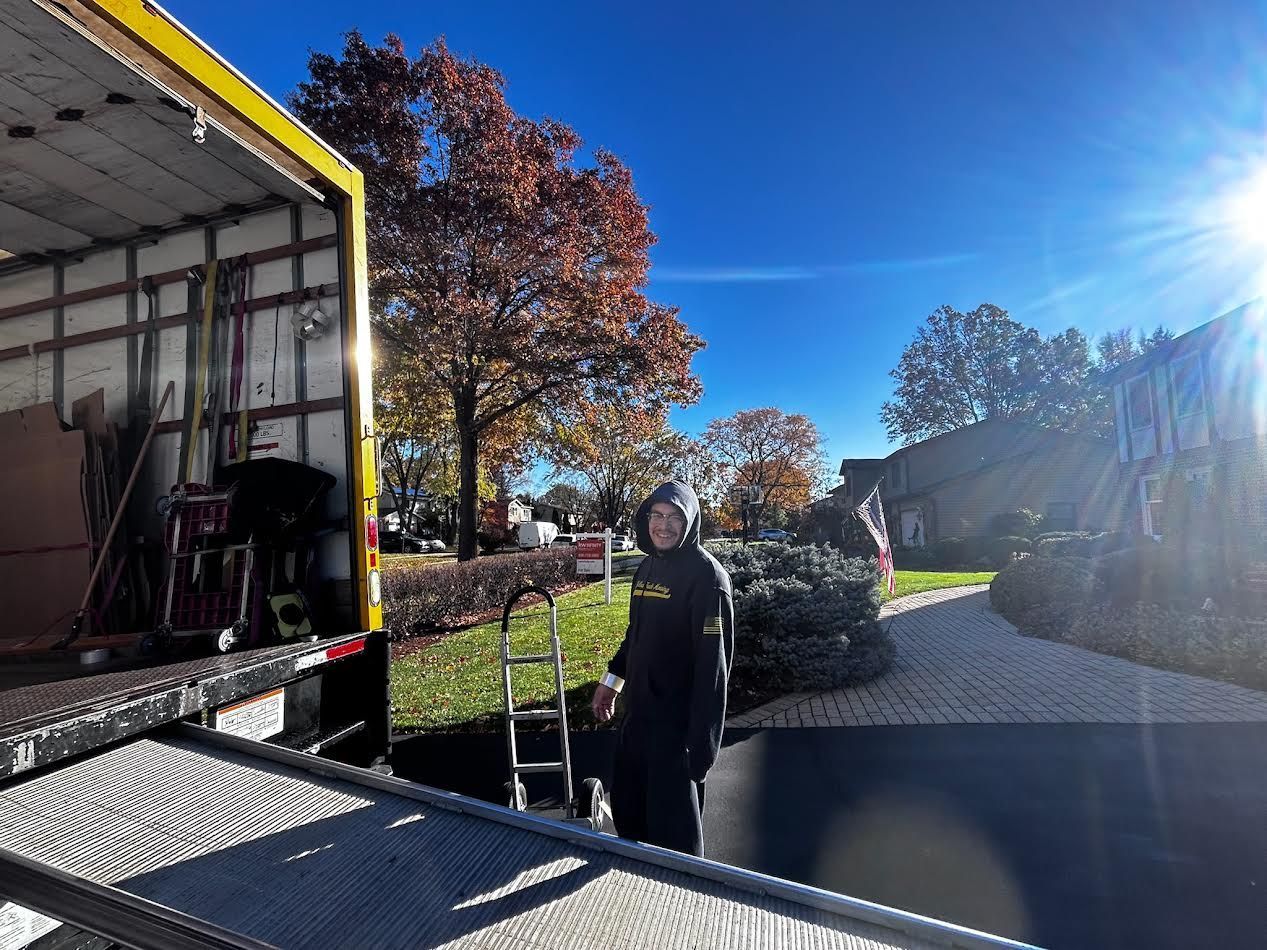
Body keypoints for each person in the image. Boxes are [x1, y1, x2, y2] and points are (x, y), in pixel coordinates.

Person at [590, 480, 735, 857]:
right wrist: (611, 682)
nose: (664, 525)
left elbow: (713, 669)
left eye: (675, 517)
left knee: (677, 845)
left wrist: (701, 746)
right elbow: (634, 635)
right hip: (637, 720)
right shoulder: (647, 567)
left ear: (690, 523)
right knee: (630, 820)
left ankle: (682, 908)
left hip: (677, 734)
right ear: (646, 518)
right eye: (657, 515)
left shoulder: (708, 578)